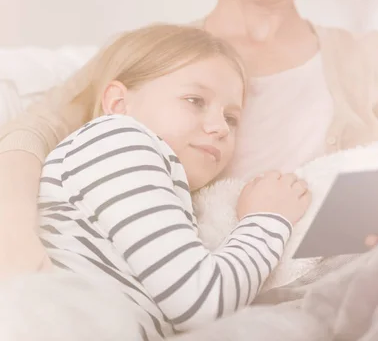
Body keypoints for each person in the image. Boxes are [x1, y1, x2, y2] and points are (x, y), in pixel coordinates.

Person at [0, 0, 378, 278]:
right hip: (205, 299)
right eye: (196, 102)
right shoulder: (151, 57)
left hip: (351, 288)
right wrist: (15, 240)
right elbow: (26, 135)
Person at [36, 23, 312, 339]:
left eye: (231, 118)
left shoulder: (154, 183)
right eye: (195, 100)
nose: (220, 127)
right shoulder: (119, 138)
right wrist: (267, 218)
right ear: (118, 104)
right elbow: (201, 303)